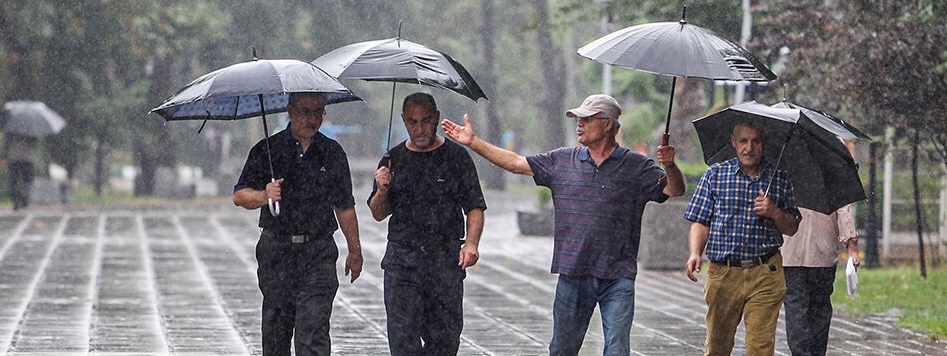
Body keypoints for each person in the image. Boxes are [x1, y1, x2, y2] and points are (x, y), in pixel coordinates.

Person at [441, 93, 685, 356]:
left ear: (607, 124)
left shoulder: (636, 166)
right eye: (577, 119)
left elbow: (674, 189)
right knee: (562, 349)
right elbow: (515, 164)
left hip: (618, 275)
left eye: (586, 119)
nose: (578, 124)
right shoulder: (562, 160)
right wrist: (474, 142)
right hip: (574, 272)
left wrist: (670, 166)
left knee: (617, 348)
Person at [232, 92, 364, 356]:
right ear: (290, 111)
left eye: (318, 112)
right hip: (277, 252)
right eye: (305, 111)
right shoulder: (267, 150)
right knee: (276, 332)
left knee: (313, 332)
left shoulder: (332, 153)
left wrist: (355, 250)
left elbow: (345, 206)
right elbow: (239, 196)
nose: (312, 119)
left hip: (318, 252)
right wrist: (263, 195)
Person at [367, 92, 486, 356]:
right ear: (403, 121)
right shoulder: (392, 158)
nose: (419, 129)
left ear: (436, 119)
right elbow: (377, 213)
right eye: (412, 122)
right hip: (402, 260)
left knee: (444, 340)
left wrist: (471, 244)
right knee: (402, 339)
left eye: (425, 121)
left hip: (444, 259)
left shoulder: (456, 158)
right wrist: (382, 189)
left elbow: (475, 207)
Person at [683, 120, 801, 356]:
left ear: (764, 144)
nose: (749, 147)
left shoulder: (779, 178)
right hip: (723, 273)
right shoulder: (715, 175)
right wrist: (695, 253)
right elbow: (700, 220)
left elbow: (792, 227)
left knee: (761, 347)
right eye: (744, 141)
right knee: (718, 346)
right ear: (734, 143)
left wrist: (774, 212)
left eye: (755, 141)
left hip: (765, 272)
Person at [781, 204, 859, 356]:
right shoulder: (832, 181)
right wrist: (851, 245)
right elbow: (843, 209)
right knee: (819, 308)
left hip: (792, 251)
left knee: (796, 309)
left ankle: (801, 352)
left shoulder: (787, 180)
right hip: (822, 250)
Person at [1, 132, 37, 210]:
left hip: (13, 158)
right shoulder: (31, 129)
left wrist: (3, 157)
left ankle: (16, 201)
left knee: (13, 181)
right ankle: (25, 193)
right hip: (28, 158)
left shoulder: (11, 129)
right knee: (29, 180)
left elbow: (5, 144)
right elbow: (34, 144)